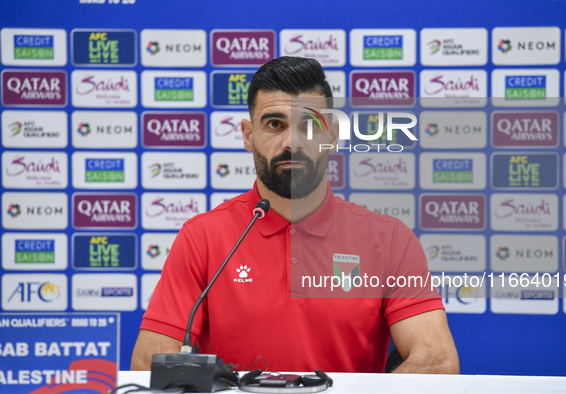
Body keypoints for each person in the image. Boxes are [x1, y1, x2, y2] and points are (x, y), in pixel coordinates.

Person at [131, 56, 459, 374]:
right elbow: (150, 362)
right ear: (248, 135)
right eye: (275, 124)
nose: (292, 142)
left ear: (332, 136)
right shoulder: (202, 237)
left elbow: (437, 362)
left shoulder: (388, 240)